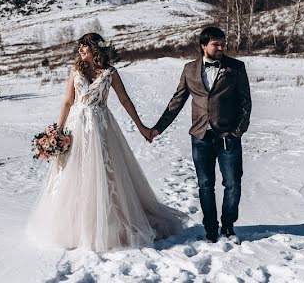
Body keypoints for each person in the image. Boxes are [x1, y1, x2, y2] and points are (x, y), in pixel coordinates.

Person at [26, 33, 185, 251]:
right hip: (76, 127)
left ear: (96, 50)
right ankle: (74, 226)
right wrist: (57, 132)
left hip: (101, 127)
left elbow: (124, 100)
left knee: (104, 173)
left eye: (85, 46)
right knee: (74, 173)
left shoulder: (110, 73)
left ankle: (108, 224)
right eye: (80, 47)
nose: (81, 50)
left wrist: (141, 127)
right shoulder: (75, 71)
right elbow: (67, 101)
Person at [146, 26, 251, 243]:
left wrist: (237, 131)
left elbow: (245, 102)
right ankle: (211, 229)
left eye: (223, 43)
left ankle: (228, 226)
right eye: (216, 44)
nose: (221, 47)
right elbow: (177, 102)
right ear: (204, 45)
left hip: (228, 136)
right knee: (205, 185)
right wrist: (158, 128)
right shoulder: (189, 69)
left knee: (233, 184)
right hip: (200, 136)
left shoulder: (236, 67)